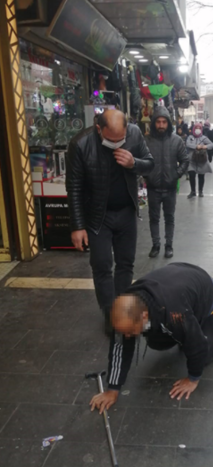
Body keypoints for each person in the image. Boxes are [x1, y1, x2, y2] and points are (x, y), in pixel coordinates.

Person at [88, 263, 213, 414]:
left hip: (207, 295)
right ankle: (183, 330)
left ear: (144, 316)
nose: (127, 336)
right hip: (177, 289)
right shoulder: (129, 304)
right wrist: (112, 389)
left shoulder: (175, 313)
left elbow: (197, 343)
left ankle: (191, 328)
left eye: (129, 331)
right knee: (160, 340)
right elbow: (120, 346)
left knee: (207, 351)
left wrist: (193, 379)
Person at [67, 110, 154, 335]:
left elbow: (150, 164)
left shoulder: (134, 134)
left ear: (127, 129)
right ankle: (109, 313)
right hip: (97, 216)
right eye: (111, 140)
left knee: (126, 264)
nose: (116, 145)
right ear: (98, 128)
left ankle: (123, 311)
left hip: (126, 212)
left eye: (120, 140)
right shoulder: (80, 144)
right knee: (102, 266)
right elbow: (74, 188)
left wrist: (133, 162)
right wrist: (77, 226)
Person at [144, 106, 189, 259]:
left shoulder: (176, 141)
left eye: (164, 122)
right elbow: (141, 161)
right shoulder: (147, 141)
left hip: (169, 188)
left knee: (169, 218)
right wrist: (147, 175)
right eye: (158, 122)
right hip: (153, 188)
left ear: (168, 123)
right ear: (154, 123)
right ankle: (155, 245)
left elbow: (185, 160)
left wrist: (176, 175)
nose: (161, 125)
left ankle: (169, 245)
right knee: (154, 218)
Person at [185, 123, 213, 198]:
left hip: (202, 160)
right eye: (196, 128)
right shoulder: (190, 137)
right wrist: (196, 146)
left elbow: (212, 145)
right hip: (192, 160)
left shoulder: (204, 138)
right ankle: (193, 191)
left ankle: (200, 191)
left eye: (199, 128)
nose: (197, 129)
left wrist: (205, 146)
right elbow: (187, 144)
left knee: (201, 175)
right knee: (191, 175)